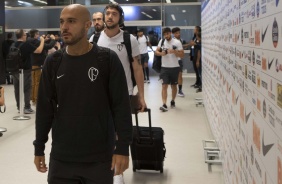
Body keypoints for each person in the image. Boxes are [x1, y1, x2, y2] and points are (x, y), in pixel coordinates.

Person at [33, 4, 133, 184]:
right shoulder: (53, 61)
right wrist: (39, 147)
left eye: (71, 21)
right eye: (62, 22)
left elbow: (121, 107)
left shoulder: (107, 59)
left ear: (88, 25)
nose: (64, 27)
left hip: (99, 158)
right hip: (62, 157)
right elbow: (44, 108)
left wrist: (123, 148)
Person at [95, 3, 146, 112]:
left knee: (122, 128)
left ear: (120, 18)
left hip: (124, 92)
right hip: (100, 93)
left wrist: (141, 95)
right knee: (102, 128)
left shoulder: (129, 40)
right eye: (107, 13)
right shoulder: (94, 39)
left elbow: (137, 69)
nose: (110, 16)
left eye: (114, 14)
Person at [12, 29, 45, 114]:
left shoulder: (13, 44)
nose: (26, 36)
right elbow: (39, 50)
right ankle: (27, 107)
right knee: (27, 89)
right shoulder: (25, 45)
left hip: (14, 70)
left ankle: (19, 107)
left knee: (17, 89)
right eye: (25, 35)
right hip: (25, 70)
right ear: (23, 36)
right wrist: (42, 41)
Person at [155, 27, 184, 112]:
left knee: (174, 86)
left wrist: (174, 52)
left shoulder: (177, 42)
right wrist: (161, 53)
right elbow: (156, 52)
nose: (166, 36)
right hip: (164, 67)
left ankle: (173, 101)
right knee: (164, 85)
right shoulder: (162, 41)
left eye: (167, 34)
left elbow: (182, 55)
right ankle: (164, 104)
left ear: (170, 33)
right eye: (164, 34)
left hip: (175, 67)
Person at [28, 29, 56, 105]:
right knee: (37, 82)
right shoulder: (36, 41)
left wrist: (44, 40)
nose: (39, 36)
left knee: (33, 83)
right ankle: (37, 99)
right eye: (38, 34)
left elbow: (42, 45)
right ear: (35, 35)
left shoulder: (30, 41)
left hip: (32, 64)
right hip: (37, 64)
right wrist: (53, 39)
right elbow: (48, 46)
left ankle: (33, 98)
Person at [172, 27, 186, 97]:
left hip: (179, 60)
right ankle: (174, 89)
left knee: (180, 75)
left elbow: (181, 49)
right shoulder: (172, 41)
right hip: (173, 61)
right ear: (173, 34)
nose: (178, 34)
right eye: (177, 33)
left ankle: (180, 90)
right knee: (174, 77)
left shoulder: (180, 40)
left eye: (179, 33)